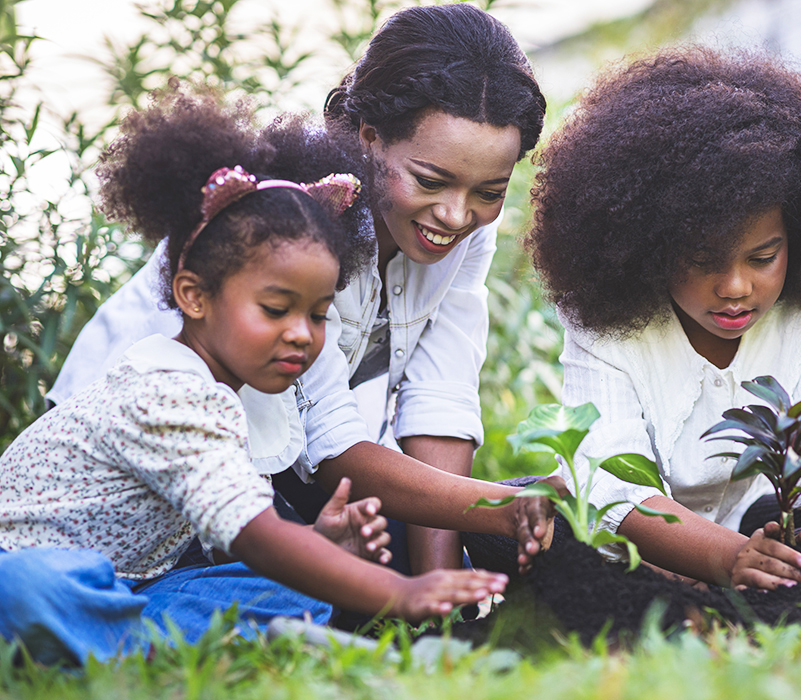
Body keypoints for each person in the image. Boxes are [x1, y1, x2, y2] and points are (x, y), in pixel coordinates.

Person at [0, 88, 516, 666]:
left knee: (290, 588)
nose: (302, 334)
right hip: (44, 572)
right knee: (31, 588)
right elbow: (255, 533)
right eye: (276, 310)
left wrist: (321, 548)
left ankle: (136, 646)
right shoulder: (167, 392)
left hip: (140, 583)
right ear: (193, 296)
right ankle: (143, 646)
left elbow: (254, 535)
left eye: (319, 314)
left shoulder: (225, 395)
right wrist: (403, 591)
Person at [45, 3, 553, 576]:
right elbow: (331, 448)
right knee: (317, 568)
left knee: (521, 529)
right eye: (430, 181)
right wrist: (496, 511)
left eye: (490, 190)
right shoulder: (293, 221)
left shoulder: (458, 227)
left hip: (280, 462)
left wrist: (445, 579)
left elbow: (441, 394)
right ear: (369, 137)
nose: (457, 214)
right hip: (150, 483)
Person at [509, 47, 801, 590]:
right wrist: (729, 558)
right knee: (519, 520)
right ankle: (709, 579)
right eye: (702, 261)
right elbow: (612, 485)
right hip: (634, 537)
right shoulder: (607, 324)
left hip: (750, 522)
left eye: (763, 258)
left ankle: (752, 578)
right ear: (648, 246)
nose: (737, 287)